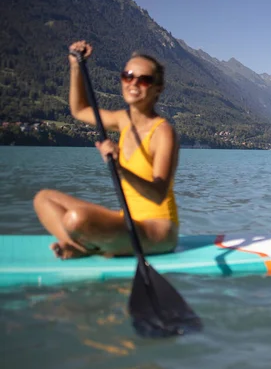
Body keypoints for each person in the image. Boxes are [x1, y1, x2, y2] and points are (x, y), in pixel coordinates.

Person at [33, 40, 180, 259]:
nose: (133, 83)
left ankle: (87, 247)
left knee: (76, 219)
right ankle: (90, 247)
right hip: (127, 221)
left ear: (158, 88)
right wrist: (75, 65)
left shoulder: (163, 132)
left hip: (157, 230)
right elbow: (80, 110)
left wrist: (121, 168)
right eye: (128, 76)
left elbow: (158, 194)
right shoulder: (122, 120)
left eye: (144, 80)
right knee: (43, 199)